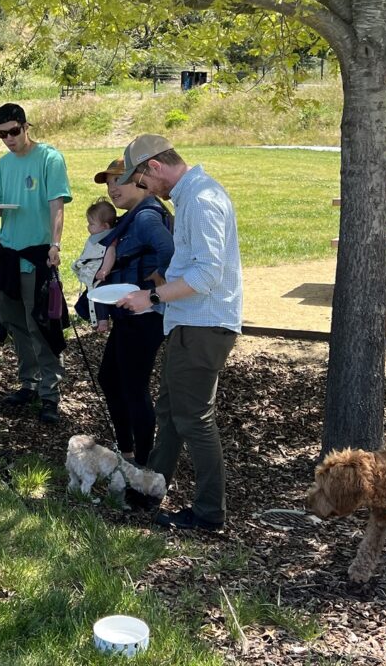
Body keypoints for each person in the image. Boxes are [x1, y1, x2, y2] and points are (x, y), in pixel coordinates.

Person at [115, 134, 242, 532]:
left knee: (194, 419)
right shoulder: (192, 196)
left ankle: (209, 513)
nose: (145, 189)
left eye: (142, 181)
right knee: (170, 413)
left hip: (204, 326)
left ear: (154, 166)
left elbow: (207, 274)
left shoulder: (201, 199)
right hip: (189, 322)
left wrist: (152, 296)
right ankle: (150, 490)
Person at [0, 103, 72, 423]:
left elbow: (57, 205)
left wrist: (55, 244)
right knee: (15, 323)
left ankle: (50, 394)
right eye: (2, 135)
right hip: (7, 253)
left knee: (40, 325)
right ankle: (28, 383)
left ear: (26, 126)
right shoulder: (3, 164)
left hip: (37, 254)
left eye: (14, 132)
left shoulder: (49, 159)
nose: (9, 139)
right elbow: (1, 203)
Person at [90, 157, 174, 468]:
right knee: (110, 378)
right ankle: (126, 453)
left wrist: (156, 286)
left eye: (119, 180)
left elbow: (169, 250)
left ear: (139, 180)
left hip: (145, 317)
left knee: (133, 388)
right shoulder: (133, 217)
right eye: (109, 183)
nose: (112, 188)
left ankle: (142, 465)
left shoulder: (146, 217)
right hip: (130, 315)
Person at [70, 198, 118, 327]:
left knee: (98, 296)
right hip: (93, 273)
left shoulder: (109, 240)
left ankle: (102, 321)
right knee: (88, 298)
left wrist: (105, 270)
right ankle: (91, 318)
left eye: (91, 224)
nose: (88, 227)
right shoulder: (99, 237)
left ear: (105, 226)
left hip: (101, 275)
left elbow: (110, 254)